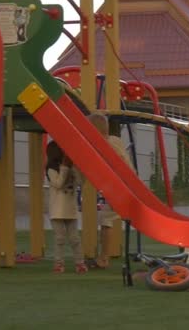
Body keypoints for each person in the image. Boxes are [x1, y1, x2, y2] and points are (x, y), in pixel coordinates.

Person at [86, 113, 134, 269]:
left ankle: (104, 258)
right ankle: (103, 256)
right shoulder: (115, 140)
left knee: (106, 221)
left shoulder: (105, 145)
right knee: (106, 219)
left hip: (120, 188)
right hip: (128, 185)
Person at [46, 141, 87, 274]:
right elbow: (58, 184)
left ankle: (80, 263)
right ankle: (58, 263)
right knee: (60, 238)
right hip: (57, 209)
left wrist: (74, 168)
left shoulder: (71, 168)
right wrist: (64, 168)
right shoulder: (51, 169)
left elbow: (81, 182)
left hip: (71, 208)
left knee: (75, 238)